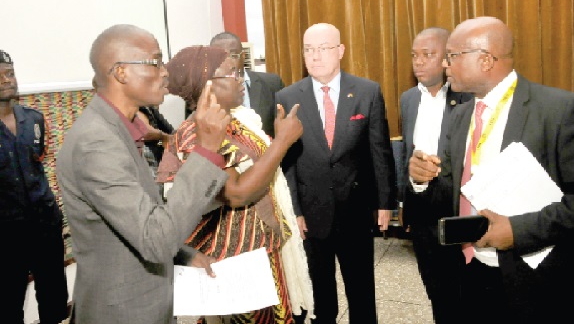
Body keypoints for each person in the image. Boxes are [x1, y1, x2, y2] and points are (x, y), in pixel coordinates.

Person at [409, 16, 574, 323]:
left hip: (537, 282)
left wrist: (517, 232)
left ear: (485, 59)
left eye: (453, 56)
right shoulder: (461, 114)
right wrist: (420, 178)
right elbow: (449, 187)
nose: (446, 65)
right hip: (469, 273)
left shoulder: (560, 110)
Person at [56, 24, 248, 324]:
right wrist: (207, 149)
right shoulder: (96, 143)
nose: (165, 72)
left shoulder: (121, 130)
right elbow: (154, 238)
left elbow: (139, 222)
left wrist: (184, 255)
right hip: (123, 312)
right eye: (155, 62)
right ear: (121, 73)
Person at [159, 45, 312, 324]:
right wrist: (282, 142)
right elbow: (236, 193)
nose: (240, 78)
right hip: (233, 261)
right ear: (205, 85)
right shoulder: (196, 133)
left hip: (259, 249)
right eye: (231, 73)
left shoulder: (234, 123)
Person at [276, 23, 397, 324]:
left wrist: (386, 203)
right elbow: (285, 162)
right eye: (308, 50)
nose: (314, 56)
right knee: (320, 297)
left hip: (355, 208)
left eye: (323, 48)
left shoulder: (367, 92)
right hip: (311, 212)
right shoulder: (289, 96)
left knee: (361, 293)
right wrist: (295, 211)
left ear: (340, 51)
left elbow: (379, 151)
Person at [399, 28, 472, 323]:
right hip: (421, 213)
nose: (419, 62)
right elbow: (406, 154)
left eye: (428, 55)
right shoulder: (407, 99)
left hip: (458, 212)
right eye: (415, 55)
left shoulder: (468, 97)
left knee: (467, 294)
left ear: (447, 58)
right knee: (436, 291)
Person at [0, 50, 69, 323]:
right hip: (6, 233)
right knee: (8, 303)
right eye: (0, 76)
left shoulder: (34, 119)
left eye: (10, 73)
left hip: (45, 226)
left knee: (54, 298)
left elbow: (40, 161)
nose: (7, 80)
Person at [210, 31, 285, 138]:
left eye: (233, 55)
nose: (228, 62)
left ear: (243, 56)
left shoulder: (272, 83)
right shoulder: (203, 92)